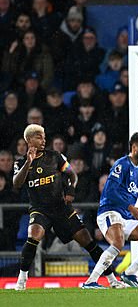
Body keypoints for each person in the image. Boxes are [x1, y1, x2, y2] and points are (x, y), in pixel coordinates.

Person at [13, 124, 123, 290]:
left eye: (43, 136)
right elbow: (16, 183)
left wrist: (71, 190)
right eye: (38, 136)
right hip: (40, 210)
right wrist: (29, 162)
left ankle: (112, 279)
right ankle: (21, 281)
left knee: (89, 243)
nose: (43, 139)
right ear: (29, 140)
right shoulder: (20, 163)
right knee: (33, 235)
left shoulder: (55, 156)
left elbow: (72, 175)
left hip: (62, 209)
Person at [82, 132, 138, 289]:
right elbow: (111, 192)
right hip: (109, 211)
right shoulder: (122, 164)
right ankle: (90, 282)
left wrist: (132, 212)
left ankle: (131, 272)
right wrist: (131, 208)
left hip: (125, 215)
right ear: (134, 147)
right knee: (118, 242)